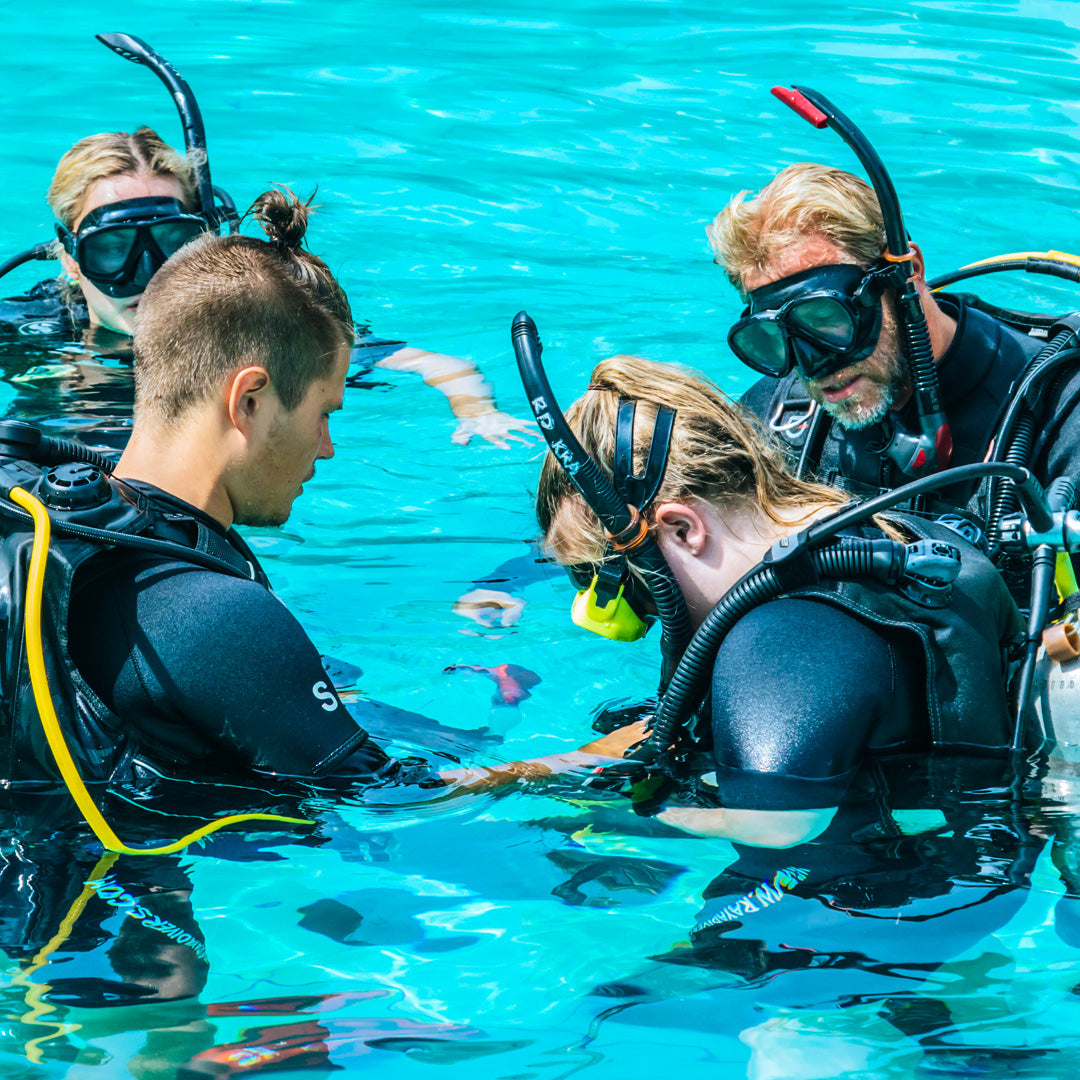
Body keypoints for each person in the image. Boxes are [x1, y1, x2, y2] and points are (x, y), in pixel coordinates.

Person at [533, 352, 1023, 847]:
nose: (619, 608)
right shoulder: (875, 534)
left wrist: (656, 808)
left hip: (873, 908)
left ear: (682, 529)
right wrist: (518, 775)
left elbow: (776, 829)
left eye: (600, 572)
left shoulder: (777, 644)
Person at [0, 127, 535, 448]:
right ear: (70, 256)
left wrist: (476, 411)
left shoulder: (249, 321)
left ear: (205, 237)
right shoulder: (26, 332)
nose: (152, 272)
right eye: (115, 250)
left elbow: (438, 365)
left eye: (172, 241)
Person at [708, 162, 1080, 512]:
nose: (811, 365)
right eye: (778, 336)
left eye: (825, 319)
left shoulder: (1062, 417)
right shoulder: (774, 417)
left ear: (908, 273)